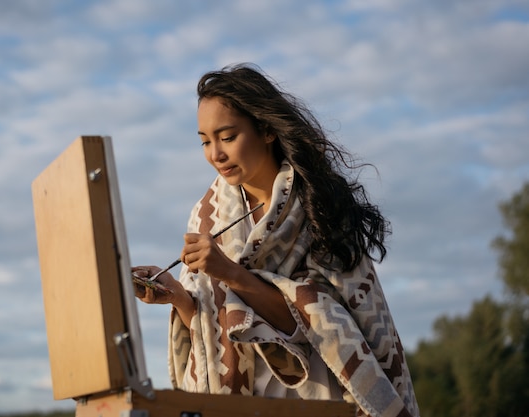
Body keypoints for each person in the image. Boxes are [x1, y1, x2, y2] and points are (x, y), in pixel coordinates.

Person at [133, 63, 420, 417]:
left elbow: (315, 323)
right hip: (239, 405)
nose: (215, 154)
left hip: (313, 401)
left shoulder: (318, 206)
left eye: (227, 137)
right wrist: (178, 297)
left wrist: (228, 272)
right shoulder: (206, 214)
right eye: (205, 141)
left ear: (266, 130)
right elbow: (211, 326)